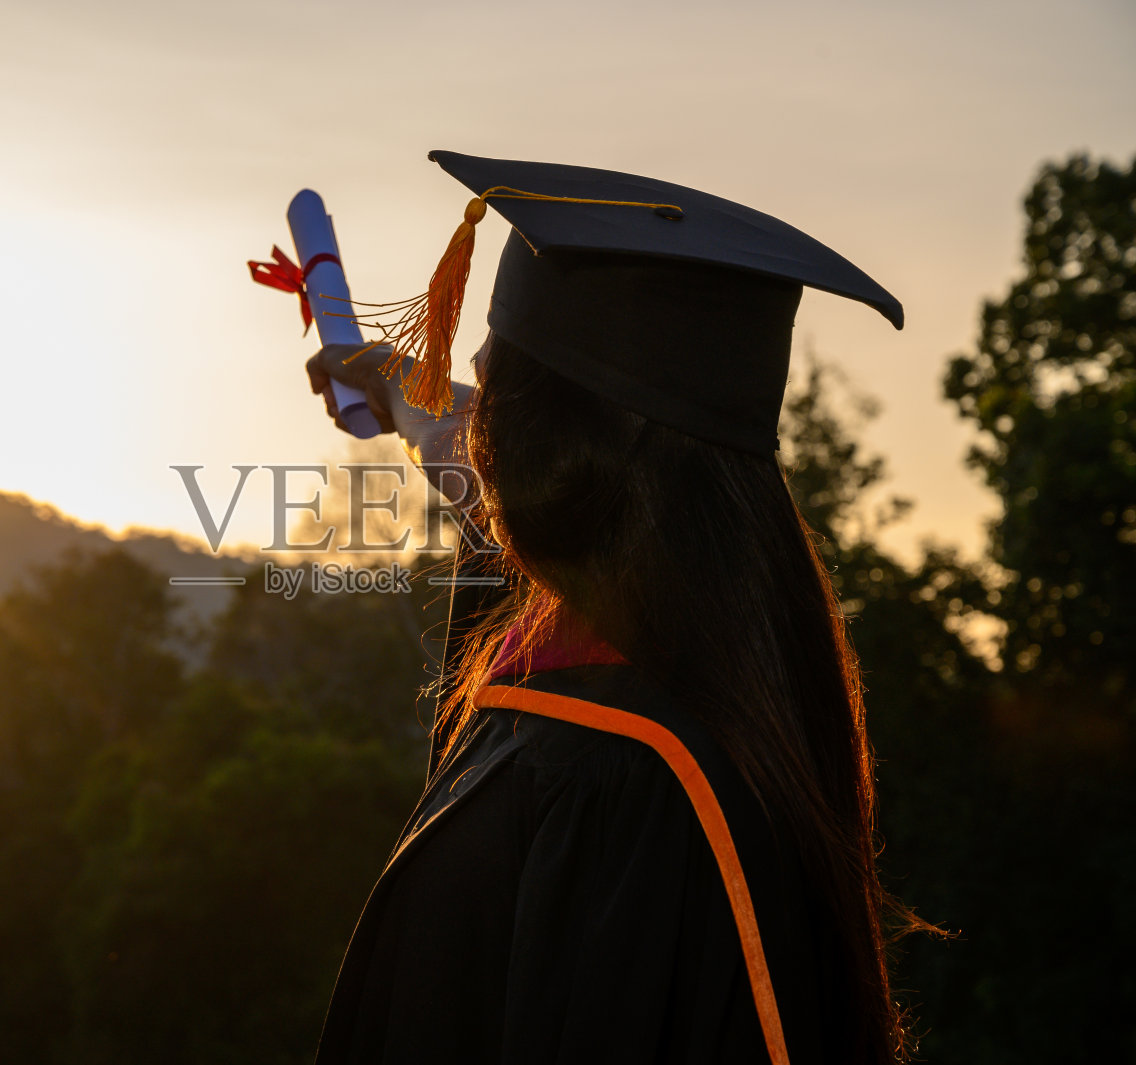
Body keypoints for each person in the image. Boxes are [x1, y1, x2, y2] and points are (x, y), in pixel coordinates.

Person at [303, 151, 931, 1065]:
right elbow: (472, 471)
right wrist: (402, 388)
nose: (472, 366)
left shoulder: (629, 785)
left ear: (562, 444)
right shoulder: (709, 659)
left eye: (499, 367)